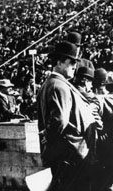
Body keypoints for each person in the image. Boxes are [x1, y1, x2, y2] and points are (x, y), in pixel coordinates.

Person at [37, 40, 100, 191]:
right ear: (59, 62)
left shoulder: (51, 83)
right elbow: (59, 121)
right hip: (69, 154)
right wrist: (49, 138)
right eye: (71, 62)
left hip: (63, 154)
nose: (74, 66)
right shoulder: (59, 86)